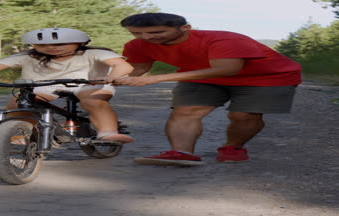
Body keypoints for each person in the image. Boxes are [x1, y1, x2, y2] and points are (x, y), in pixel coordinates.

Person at [113, 12, 302, 166]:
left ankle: (233, 147)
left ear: (185, 28)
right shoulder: (138, 45)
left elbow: (228, 69)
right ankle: (181, 153)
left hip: (267, 77)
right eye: (137, 33)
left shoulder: (222, 39)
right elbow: (139, 67)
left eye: (157, 32)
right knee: (185, 111)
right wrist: (112, 79)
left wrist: (157, 79)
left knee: (243, 116)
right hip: (202, 77)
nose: (146, 38)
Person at [0, 28, 134, 143]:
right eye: (42, 45)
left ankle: (108, 133)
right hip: (44, 85)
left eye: (61, 44)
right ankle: (19, 133)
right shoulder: (27, 56)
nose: (52, 48)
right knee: (19, 103)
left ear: (80, 43)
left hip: (89, 83)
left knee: (93, 102)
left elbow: (123, 65)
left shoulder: (95, 53)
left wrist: (111, 77)